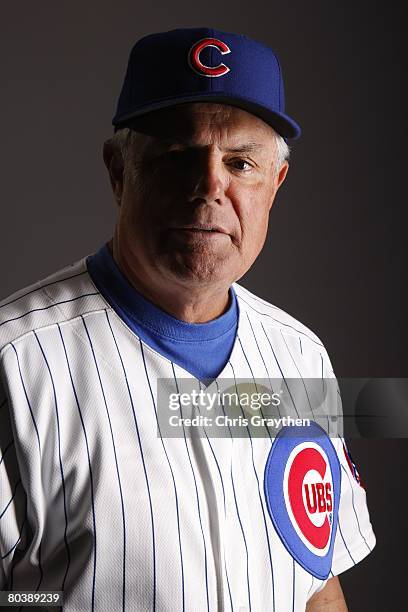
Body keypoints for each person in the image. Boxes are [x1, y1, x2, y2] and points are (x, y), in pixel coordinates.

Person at [0, 27, 375, 611]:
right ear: (119, 170)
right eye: (177, 156)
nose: (209, 186)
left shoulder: (300, 357)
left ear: (275, 183)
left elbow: (316, 584)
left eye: (240, 162)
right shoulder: (16, 363)